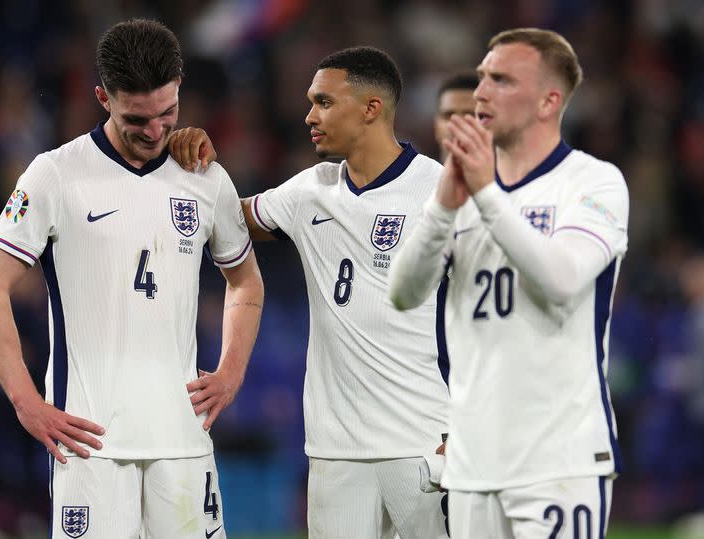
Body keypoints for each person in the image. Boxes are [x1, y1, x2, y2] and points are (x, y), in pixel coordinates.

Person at [0, 19, 263, 539]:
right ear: (103, 96)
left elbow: (246, 282)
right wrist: (25, 402)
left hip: (183, 438)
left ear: (179, 90)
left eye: (167, 113)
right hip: (90, 444)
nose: (154, 131)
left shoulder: (204, 176)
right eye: (136, 118)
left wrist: (230, 372)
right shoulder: (55, 174)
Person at [170, 47, 449, 539]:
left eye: (323, 102)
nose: (309, 116)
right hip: (334, 451)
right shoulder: (309, 192)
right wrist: (199, 169)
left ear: (370, 109)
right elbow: (223, 221)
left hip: (426, 441)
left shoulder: (441, 191)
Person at [389, 28, 629, 538]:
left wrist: (486, 194)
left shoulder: (592, 182)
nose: (479, 94)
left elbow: (562, 278)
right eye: (481, 78)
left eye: (501, 80)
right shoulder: (460, 188)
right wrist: (442, 210)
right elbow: (404, 292)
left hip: (557, 462)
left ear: (549, 101)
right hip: (473, 466)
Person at [433, 73, 478, 159]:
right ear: (436, 127)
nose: (457, 123)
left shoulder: (509, 172)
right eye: (448, 115)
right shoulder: (415, 172)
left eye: (470, 115)